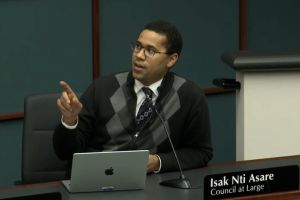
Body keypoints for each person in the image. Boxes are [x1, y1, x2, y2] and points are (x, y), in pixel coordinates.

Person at [53, 20, 213, 177]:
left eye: (150, 51)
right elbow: (64, 153)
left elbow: (201, 152)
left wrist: (158, 162)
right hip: (98, 180)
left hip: (152, 186)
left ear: (171, 59)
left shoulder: (188, 96)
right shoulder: (103, 88)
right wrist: (69, 121)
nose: (139, 55)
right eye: (138, 46)